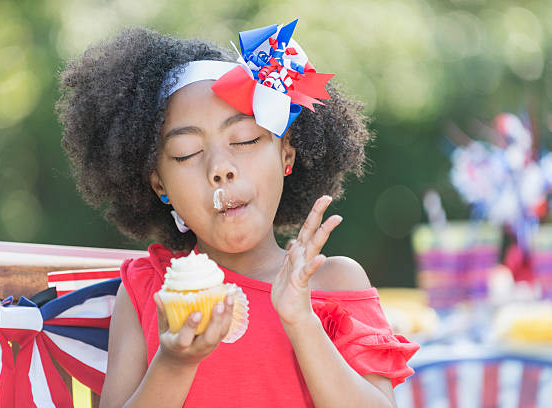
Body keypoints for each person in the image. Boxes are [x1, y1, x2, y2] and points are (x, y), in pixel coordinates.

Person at [56, 20, 419, 408]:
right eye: (186, 153)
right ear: (160, 185)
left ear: (287, 154)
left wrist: (301, 320)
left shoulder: (335, 281)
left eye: (244, 139)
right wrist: (176, 361)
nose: (220, 168)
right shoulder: (148, 290)